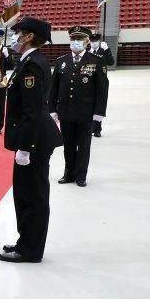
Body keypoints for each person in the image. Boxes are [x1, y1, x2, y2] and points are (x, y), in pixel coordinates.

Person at [0, 17, 63, 263]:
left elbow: (32, 111)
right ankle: (24, 239)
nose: (14, 37)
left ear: (28, 37)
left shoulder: (33, 65)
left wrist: (25, 148)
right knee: (23, 193)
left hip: (34, 142)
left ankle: (31, 249)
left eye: (18, 33)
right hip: (30, 139)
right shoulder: (26, 62)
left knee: (33, 195)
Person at [50, 26, 108, 188]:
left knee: (83, 146)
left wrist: (99, 113)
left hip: (85, 112)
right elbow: (53, 88)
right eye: (73, 39)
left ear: (87, 41)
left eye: (80, 39)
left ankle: (81, 175)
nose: (76, 42)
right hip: (66, 112)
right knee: (68, 145)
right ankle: (68, 173)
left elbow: (102, 90)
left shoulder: (96, 61)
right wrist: (52, 109)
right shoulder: (61, 61)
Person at [88, 33, 114, 137]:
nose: (94, 43)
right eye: (92, 41)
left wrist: (107, 50)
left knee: (99, 104)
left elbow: (111, 62)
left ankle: (97, 129)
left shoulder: (103, 51)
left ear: (99, 41)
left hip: (102, 81)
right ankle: (89, 128)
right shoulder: (87, 52)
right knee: (89, 105)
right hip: (89, 81)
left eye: (96, 41)